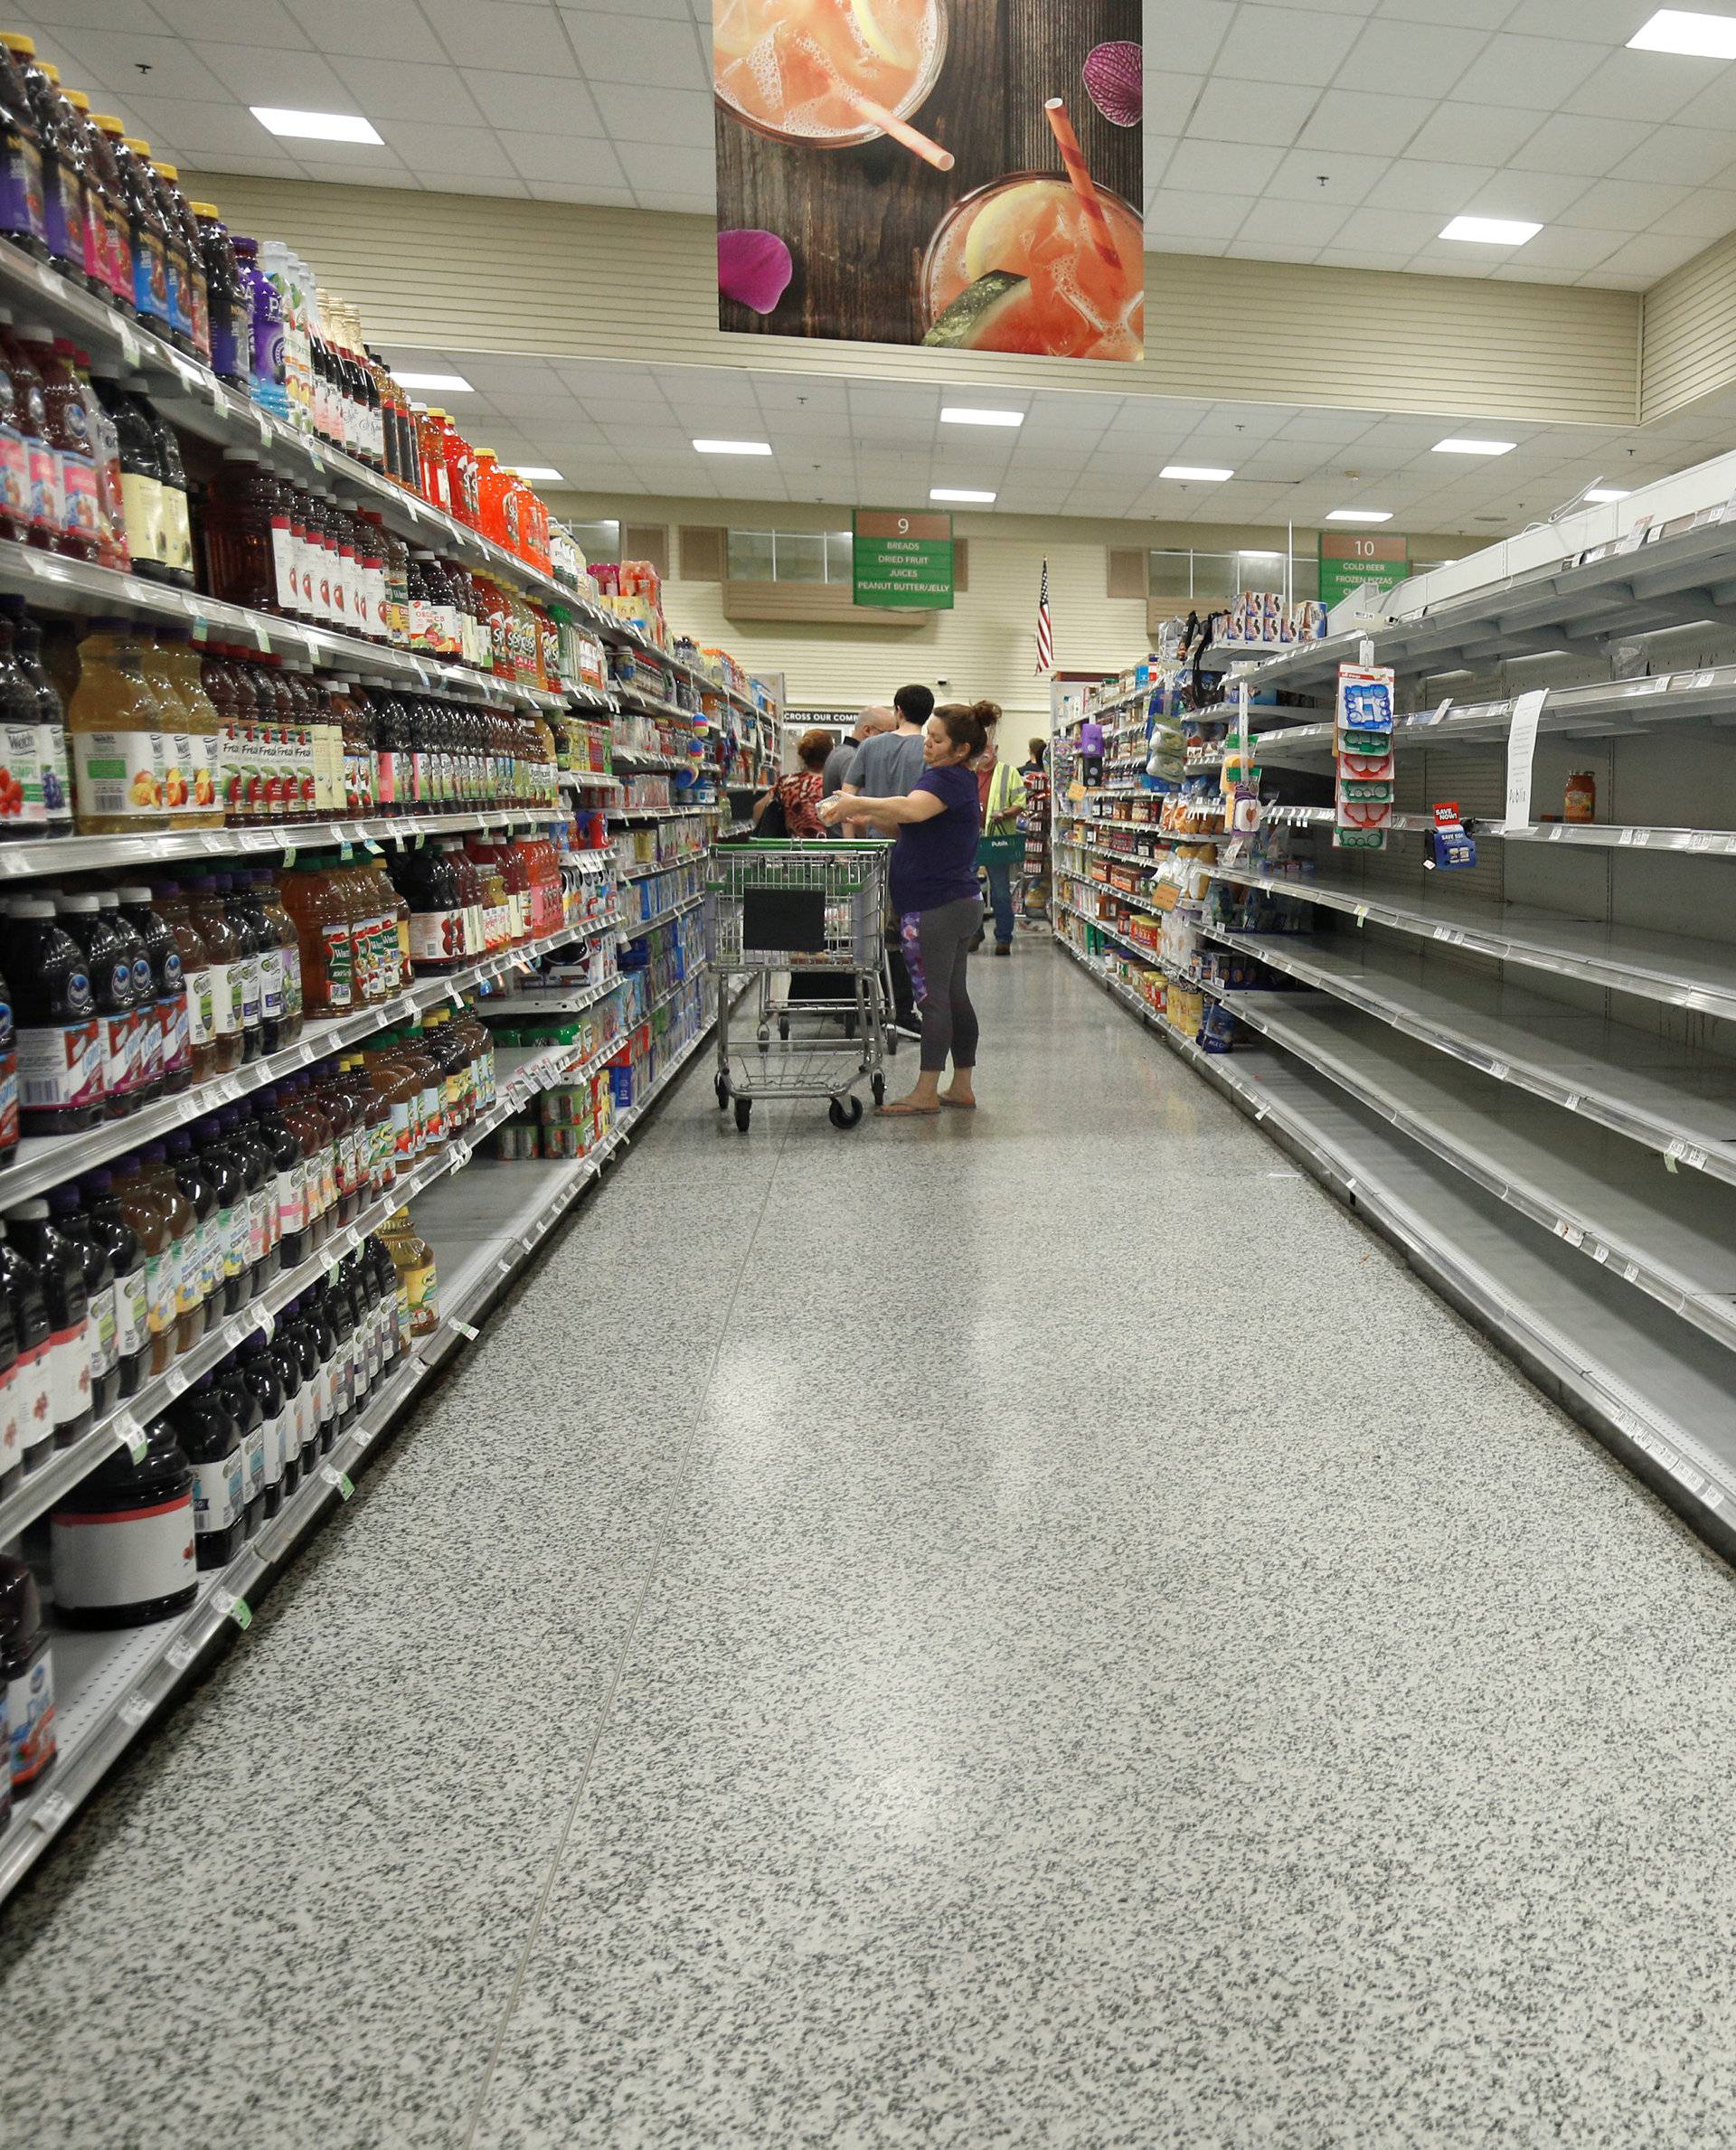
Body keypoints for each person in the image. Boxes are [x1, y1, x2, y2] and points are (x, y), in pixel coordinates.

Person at [818, 701, 991, 1115]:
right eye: (928, 736)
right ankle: (961, 1086)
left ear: (961, 748)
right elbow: (910, 823)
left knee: (931, 1000)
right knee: (953, 996)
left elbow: (911, 809)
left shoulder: (947, 779)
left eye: (937, 739)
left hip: (935, 906)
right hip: (957, 901)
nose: (927, 745)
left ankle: (926, 1092)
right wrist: (865, 814)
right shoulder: (952, 778)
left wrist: (857, 803)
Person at [843, 684, 934, 1026]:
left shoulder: (870, 746)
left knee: (872, 929)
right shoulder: (928, 751)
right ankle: (905, 1007)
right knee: (909, 931)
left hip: (872, 850)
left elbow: (846, 797)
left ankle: (874, 1004)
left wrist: (852, 845)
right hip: (914, 851)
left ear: (898, 710)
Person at [972, 707, 1026, 956]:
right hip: (970, 840)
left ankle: (1004, 937)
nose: (985, 753)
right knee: (969, 890)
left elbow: (1020, 802)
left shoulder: (1009, 772)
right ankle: (974, 933)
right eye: (981, 748)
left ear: (995, 750)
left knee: (1001, 891)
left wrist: (1005, 813)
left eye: (989, 748)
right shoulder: (968, 772)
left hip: (997, 841)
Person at [752, 728, 833, 838]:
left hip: (793, 850)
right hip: (825, 850)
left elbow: (758, 810)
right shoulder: (831, 785)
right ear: (830, 755)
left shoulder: (786, 783)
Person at [823, 706, 892, 799]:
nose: (891, 740)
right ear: (867, 730)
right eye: (887, 734)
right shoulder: (853, 758)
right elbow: (857, 804)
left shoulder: (839, 752)